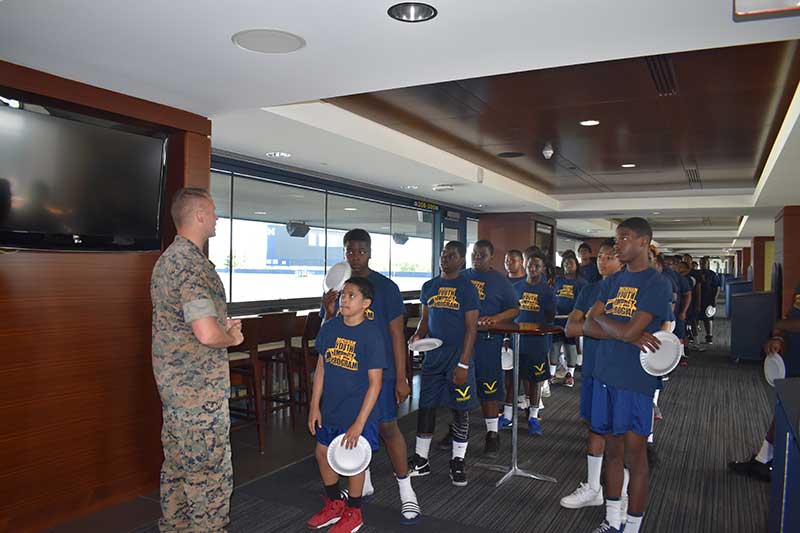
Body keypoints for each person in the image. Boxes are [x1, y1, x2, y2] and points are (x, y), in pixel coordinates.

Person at [150, 188, 243, 532]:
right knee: (208, 480)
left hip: (175, 393)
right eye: (214, 211)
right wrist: (230, 337)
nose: (217, 217)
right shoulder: (191, 267)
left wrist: (220, 326)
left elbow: (185, 325)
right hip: (199, 395)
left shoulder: (166, 262)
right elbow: (205, 334)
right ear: (200, 215)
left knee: (177, 471)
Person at [320, 229, 420, 524]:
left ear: (370, 252)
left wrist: (402, 377)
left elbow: (396, 333)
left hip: (382, 372)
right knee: (347, 431)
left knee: (388, 429)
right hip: (348, 376)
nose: (355, 256)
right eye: (350, 251)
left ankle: (407, 491)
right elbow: (328, 331)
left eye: (361, 251)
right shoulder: (340, 287)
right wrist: (328, 309)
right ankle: (362, 483)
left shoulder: (386, 288)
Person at [583, 217, 672, 533]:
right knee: (613, 453)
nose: (617, 244)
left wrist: (612, 323)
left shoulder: (656, 284)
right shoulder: (611, 282)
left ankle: (632, 527)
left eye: (624, 238)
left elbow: (607, 322)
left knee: (636, 458)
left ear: (644, 242)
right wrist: (624, 333)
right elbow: (587, 323)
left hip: (635, 382)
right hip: (605, 375)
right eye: (616, 239)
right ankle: (612, 519)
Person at [307, 278, 384, 532]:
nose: (344, 299)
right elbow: (321, 369)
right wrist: (314, 406)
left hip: (357, 411)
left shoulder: (371, 334)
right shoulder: (330, 327)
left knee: (353, 461)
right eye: (343, 294)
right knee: (322, 452)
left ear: (366, 303)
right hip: (331, 407)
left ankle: (354, 512)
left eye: (352, 295)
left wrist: (359, 423)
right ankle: (334, 503)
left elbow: (375, 383)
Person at [408, 241, 480, 486]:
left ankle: (458, 461)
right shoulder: (429, 286)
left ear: (461, 261)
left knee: (460, 409)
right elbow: (425, 320)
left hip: (457, 359)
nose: (445, 258)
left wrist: (463, 365)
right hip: (433, 359)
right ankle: (421, 460)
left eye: (452, 255)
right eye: (443, 254)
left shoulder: (467, 288)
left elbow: (472, 329)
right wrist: (418, 336)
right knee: (426, 407)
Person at [560, 238, 624, 510]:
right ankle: (594, 487)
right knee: (595, 427)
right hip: (594, 370)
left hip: (622, 372)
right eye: (600, 257)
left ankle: (618, 492)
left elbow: (631, 333)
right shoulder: (590, 290)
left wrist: (589, 322)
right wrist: (601, 326)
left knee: (619, 435)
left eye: (609, 257)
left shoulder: (630, 291)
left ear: (622, 260)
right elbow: (570, 328)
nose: (602, 261)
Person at [728, 284, 800, 481]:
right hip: (793, 362)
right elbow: (791, 316)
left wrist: (780, 325)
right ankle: (763, 460)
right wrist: (778, 336)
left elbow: (787, 322)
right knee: (784, 412)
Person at [456, 240, 519, 456]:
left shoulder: (500, 281)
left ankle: (492, 434)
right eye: (474, 253)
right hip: (462, 341)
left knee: (489, 388)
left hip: (488, 341)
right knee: (460, 386)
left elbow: (514, 309)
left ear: (491, 257)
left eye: (482, 254)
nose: (476, 257)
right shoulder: (461, 277)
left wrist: (496, 318)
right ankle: (456, 430)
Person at [514, 249, 556, 435]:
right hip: (519, 340)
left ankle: (533, 416)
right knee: (524, 377)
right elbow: (513, 312)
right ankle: (526, 410)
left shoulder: (547, 291)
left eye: (537, 266)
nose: (532, 268)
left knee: (537, 379)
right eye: (530, 264)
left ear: (542, 269)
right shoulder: (517, 287)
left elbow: (550, 315)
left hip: (538, 341)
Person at [551, 254, 587, 387]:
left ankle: (570, 375)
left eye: (571, 263)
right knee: (554, 347)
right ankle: (552, 374)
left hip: (571, 320)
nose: (568, 266)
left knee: (570, 347)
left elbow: (583, 302)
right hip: (556, 319)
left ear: (576, 265)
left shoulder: (581, 283)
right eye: (565, 263)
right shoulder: (557, 280)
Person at [697, 256, 721, 344]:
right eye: (701, 263)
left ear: (708, 264)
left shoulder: (712, 274)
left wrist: (715, 299)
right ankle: (695, 337)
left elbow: (717, 287)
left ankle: (709, 336)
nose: (702, 264)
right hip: (698, 299)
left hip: (709, 299)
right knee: (695, 318)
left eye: (704, 263)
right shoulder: (697, 273)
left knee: (708, 318)